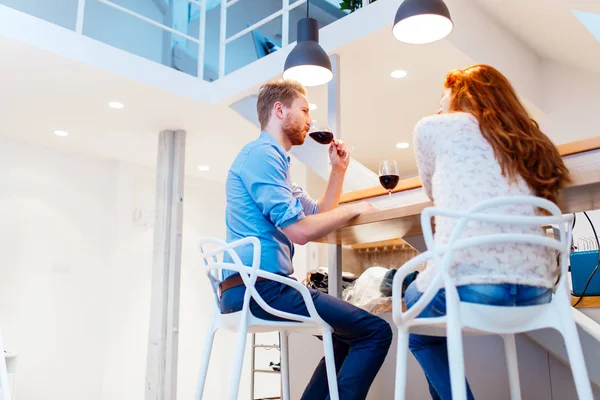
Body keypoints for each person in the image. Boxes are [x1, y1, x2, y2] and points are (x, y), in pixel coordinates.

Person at [220, 79, 393, 400]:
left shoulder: (276, 163)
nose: (310, 120)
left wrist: (338, 171)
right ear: (279, 110)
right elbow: (300, 232)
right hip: (259, 289)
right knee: (376, 331)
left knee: (348, 333)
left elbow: (317, 212)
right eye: (304, 110)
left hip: (255, 288)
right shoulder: (262, 155)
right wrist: (354, 209)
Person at [405, 64, 570, 400]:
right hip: (538, 292)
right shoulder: (529, 141)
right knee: (432, 315)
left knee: (418, 325)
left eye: (444, 98)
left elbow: (433, 195)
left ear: (461, 95)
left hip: (472, 287)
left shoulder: (432, 127)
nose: (440, 107)